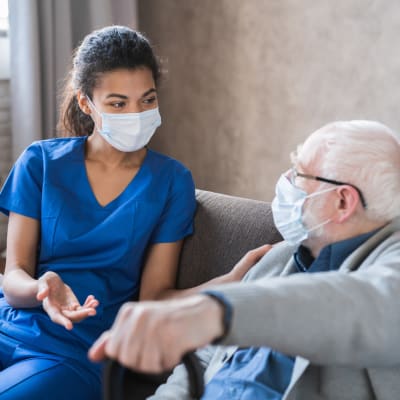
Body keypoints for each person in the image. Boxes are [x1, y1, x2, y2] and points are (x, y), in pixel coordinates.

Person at [0, 26, 258, 400]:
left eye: (147, 100)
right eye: (118, 103)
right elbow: (13, 276)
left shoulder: (171, 182)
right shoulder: (41, 162)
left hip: (74, 352)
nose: (136, 113)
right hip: (11, 322)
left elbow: (154, 297)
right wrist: (42, 287)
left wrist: (228, 283)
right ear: (86, 103)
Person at [90, 120, 400, 400]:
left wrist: (217, 311)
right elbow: (202, 358)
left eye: (299, 172)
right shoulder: (278, 257)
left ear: (342, 201)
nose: (286, 180)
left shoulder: (388, 267)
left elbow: (367, 305)